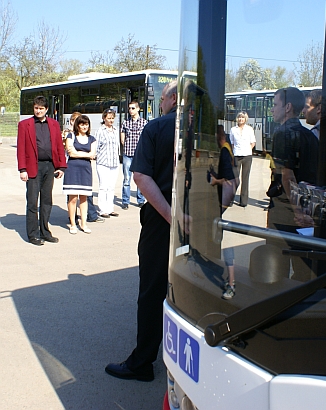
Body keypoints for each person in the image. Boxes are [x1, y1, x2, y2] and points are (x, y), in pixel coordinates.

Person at [105, 80, 178, 382]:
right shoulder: (211, 132)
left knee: (152, 291)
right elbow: (230, 184)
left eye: (161, 100)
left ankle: (142, 362)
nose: (160, 105)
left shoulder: (157, 127)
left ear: (170, 99)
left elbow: (140, 176)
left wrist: (173, 218)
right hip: (202, 227)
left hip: (161, 225)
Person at [267, 87, 319, 280]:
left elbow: (287, 176)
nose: (272, 110)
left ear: (287, 107)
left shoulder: (283, 133)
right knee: (303, 268)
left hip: (286, 210)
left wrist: (296, 211)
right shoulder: (310, 136)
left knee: (275, 267)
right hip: (307, 209)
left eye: (274, 104)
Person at [17, 95, 67, 246]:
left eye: (41, 109)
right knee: (32, 202)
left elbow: (59, 146)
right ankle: (33, 235)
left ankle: (45, 232)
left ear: (46, 110)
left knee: (47, 201)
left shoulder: (53, 124)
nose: (38, 111)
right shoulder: (25, 125)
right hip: (33, 167)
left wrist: (61, 166)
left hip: (49, 167)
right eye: (35, 108)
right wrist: (22, 169)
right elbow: (21, 148)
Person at [210, 125, 238, 299]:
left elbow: (228, 181)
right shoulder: (228, 149)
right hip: (229, 203)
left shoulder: (224, 152)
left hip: (225, 203)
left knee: (227, 244)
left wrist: (215, 181)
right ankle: (230, 279)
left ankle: (231, 283)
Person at [62, 112, 105, 224]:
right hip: (72, 170)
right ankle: (72, 224)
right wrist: (86, 154)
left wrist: (79, 152)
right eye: (82, 124)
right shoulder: (70, 136)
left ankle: (84, 224)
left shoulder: (92, 139)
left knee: (84, 198)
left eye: (86, 124)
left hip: (85, 170)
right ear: (77, 125)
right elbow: (71, 153)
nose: (84, 126)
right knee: (72, 199)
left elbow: (93, 154)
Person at [120, 100, 147, 210]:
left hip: (140, 155)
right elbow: (122, 138)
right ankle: (125, 201)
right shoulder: (125, 123)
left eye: (133, 108)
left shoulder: (144, 123)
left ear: (138, 109)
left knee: (140, 178)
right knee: (127, 179)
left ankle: (140, 200)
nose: (130, 110)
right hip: (128, 153)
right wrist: (125, 144)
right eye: (129, 108)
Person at [95, 109, 120, 218]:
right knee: (103, 186)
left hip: (114, 162)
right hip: (103, 162)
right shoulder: (100, 131)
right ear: (104, 118)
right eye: (109, 118)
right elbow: (96, 146)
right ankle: (102, 209)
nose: (111, 120)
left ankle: (110, 209)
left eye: (112, 118)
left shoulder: (115, 130)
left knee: (111, 187)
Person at [229, 111, 256, 207]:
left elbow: (253, 142)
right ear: (237, 118)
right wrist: (235, 151)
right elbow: (232, 143)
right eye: (239, 117)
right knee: (234, 179)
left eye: (243, 117)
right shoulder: (233, 129)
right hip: (236, 156)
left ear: (245, 119)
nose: (241, 119)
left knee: (245, 179)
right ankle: (230, 199)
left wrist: (247, 150)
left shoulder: (249, 129)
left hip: (247, 157)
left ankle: (243, 201)